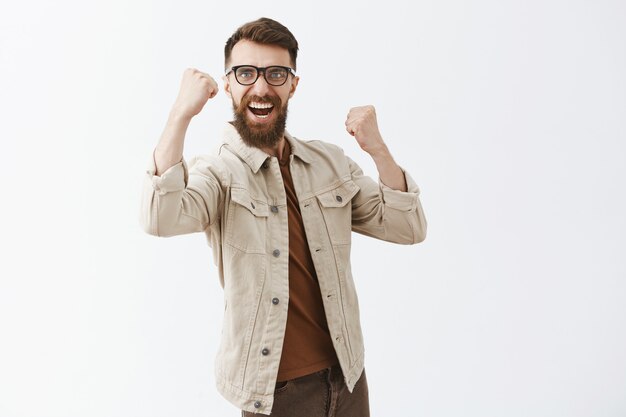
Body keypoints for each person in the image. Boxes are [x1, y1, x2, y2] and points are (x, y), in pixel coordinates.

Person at [140, 17, 427, 416]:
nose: (261, 87)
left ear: (293, 84)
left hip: (348, 378)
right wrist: (179, 116)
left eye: (276, 74)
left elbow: (408, 227)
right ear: (228, 84)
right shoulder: (218, 173)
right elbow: (160, 217)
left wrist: (378, 150)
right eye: (246, 73)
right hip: (276, 394)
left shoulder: (328, 162)